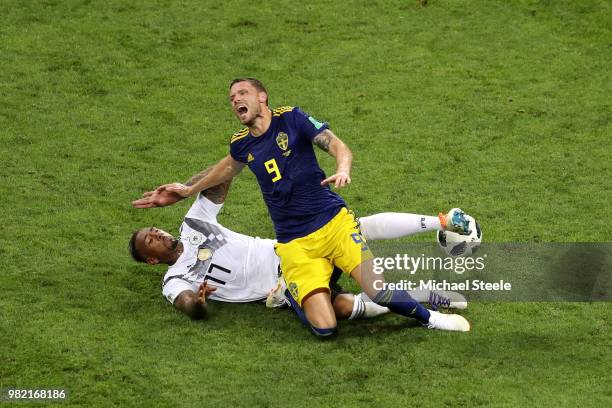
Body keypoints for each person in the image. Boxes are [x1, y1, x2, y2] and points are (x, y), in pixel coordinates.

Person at [133, 78, 472, 337]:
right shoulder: (241, 145)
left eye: (242, 93)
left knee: (374, 274)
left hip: (326, 223)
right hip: (295, 246)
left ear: (262, 97)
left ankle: (433, 316)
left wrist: (343, 169)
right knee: (326, 326)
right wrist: (187, 189)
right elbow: (226, 168)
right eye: (232, 98)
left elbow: (337, 144)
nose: (236, 99)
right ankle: (416, 288)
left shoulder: (292, 119)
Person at [129, 172, 467, 321]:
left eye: (153, 228)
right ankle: (424, 295)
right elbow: (188, 305)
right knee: (341, 309)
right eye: (149, 239)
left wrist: (184, 189)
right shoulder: (174, 279)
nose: (156, 233)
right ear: (151, 260)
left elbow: (224, 176)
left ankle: (440, 221)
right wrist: (199, 304)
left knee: (354, 226)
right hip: (282, 285)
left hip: (289, 249)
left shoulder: (193, 224)